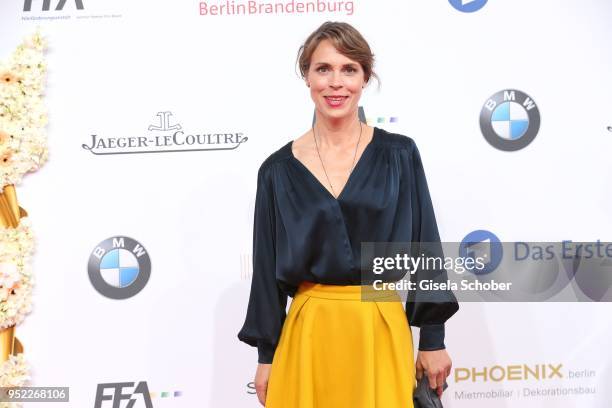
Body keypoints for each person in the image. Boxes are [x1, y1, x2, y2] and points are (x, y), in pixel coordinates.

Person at [237, 21, 459, 408]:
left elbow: (426, 245)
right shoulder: (276, 170)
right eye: (323, 69)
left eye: (349, 69)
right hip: (309, 330)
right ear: (307, 76)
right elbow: (266, 267)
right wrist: (266, 356)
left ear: (365, 78)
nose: (335, 83)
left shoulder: (399, 154)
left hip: (379, 323)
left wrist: (434, 339)